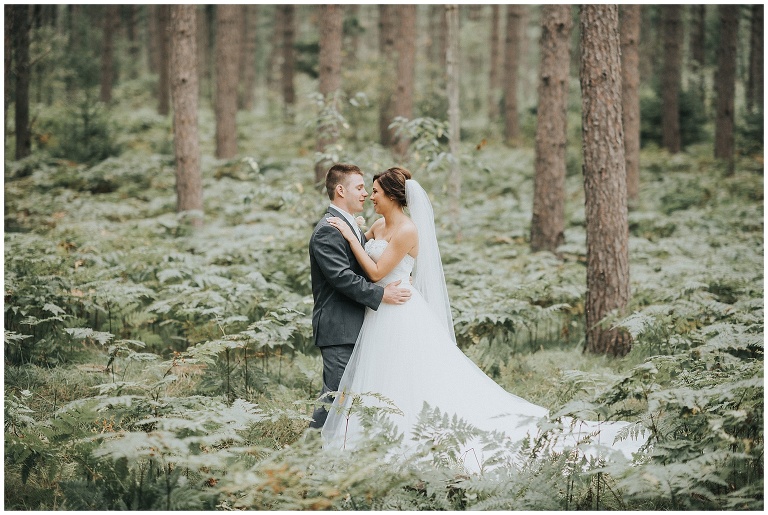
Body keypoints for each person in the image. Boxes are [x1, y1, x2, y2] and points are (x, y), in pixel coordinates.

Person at [322, 166, 645, 471]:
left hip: (401, 308)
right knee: (384, 373)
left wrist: (350, 237)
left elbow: (376, 271)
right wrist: (354, 233)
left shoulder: (407, 230)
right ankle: (376, 433)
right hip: (379, 309)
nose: (371, 196)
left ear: (392, 195)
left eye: (375, 191)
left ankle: (412, 434)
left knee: (410, 373)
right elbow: (365, 255)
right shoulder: (377, 226)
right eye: (369, 190)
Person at [308, 163, 412, 429]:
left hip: (362, 322)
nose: (366, 194)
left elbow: (370, 261)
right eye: (360, 188)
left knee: (353, 394)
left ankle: (347, 445)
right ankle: (309, 446)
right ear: (341, 191)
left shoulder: (348, 225)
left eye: (369, 189)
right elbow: (343, 277)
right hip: (339, 326)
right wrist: (381, 293)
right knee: (335, 396)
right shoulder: (329, 229)